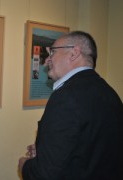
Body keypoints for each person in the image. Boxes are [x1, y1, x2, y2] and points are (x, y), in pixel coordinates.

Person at [18, 31, 123, 180]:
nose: (47, 60)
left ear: (74, 53)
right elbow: (94, 149)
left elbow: (44, 176)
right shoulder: (109, 93)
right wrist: (47, 149)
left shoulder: (65, 97)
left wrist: (25, 166)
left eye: (52, 52)